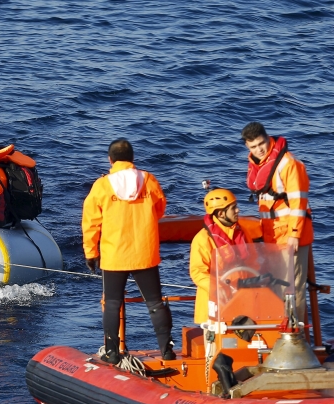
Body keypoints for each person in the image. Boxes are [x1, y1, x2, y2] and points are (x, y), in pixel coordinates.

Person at [82, 138, 174, 363]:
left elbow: (91, 222)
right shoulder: (148, 179)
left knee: (113, 303)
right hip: (145, 252)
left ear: (110, 160)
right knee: (154, 303)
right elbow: (160, 208)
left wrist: (90, 252)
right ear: (133, 159)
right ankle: (166, 350)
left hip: (114, 255)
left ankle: (112, 352)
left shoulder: (102, 185)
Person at [241, 121, 314, 323]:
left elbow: (299, 203)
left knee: (293, 288)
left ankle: (297, 339)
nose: (258, 150)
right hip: (272, 235)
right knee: (276, 286)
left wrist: (294, 235)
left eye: (261, 144)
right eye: (253, 147)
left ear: (268, 139)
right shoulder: (260, 165)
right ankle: (279, 332)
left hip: (290, 236)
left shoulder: (288, 164)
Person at [188, 189, 262, 325]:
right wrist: (218, 289)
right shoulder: (202, 239)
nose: (238, 211)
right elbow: (198, 272)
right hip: (215, 305)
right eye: (233, 208)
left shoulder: (243, 233)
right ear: (221, 213)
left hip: (242, 303)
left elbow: (253, 263)